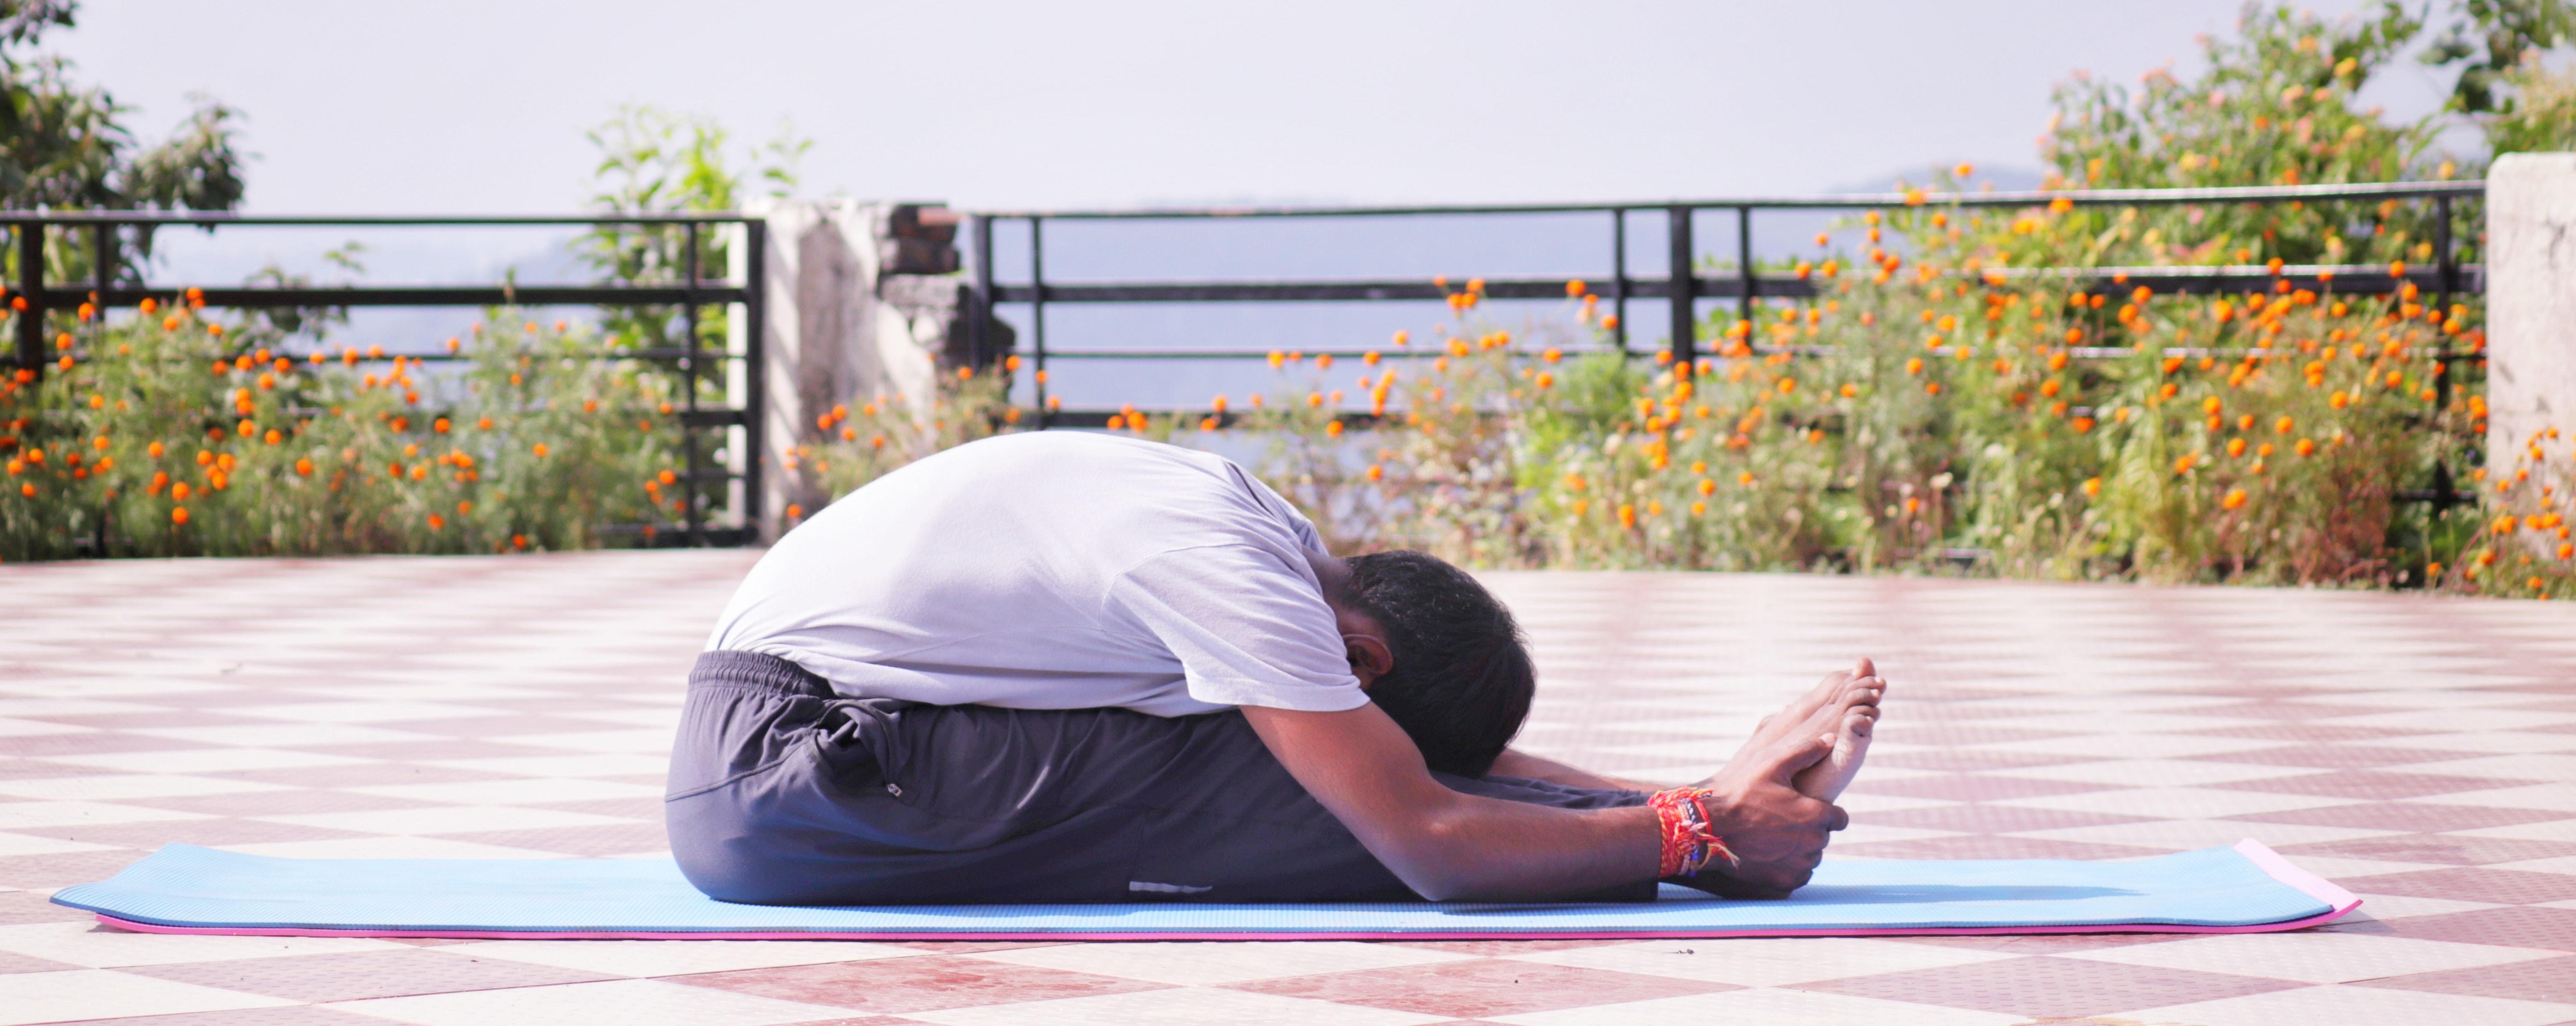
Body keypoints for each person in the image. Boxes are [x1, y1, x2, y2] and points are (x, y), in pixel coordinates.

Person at [666, 429, 1879, 906]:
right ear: (1362, 654)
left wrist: (1672, 794)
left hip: (813, 759)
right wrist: (1694, 835)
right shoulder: (1236, 574)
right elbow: (1430, 838)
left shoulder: (1264, 540)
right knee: (1286, 782)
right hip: (791, 772)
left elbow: (1430, 771)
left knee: (1306, 769)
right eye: (1360, 702)